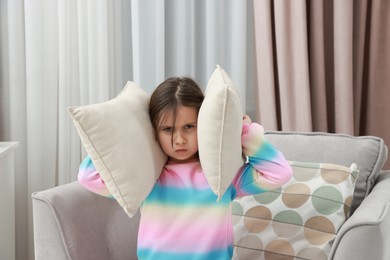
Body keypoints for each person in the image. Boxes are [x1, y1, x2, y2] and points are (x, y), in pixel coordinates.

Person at [78, 77, 293, 260]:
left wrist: (243, 130)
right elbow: (88, 177)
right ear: (154, 131)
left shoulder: (222, 174)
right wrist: (116, 139)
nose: (179, 139)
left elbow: (278, 172)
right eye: (168, 129)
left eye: (188, 127)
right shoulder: (147, 176)